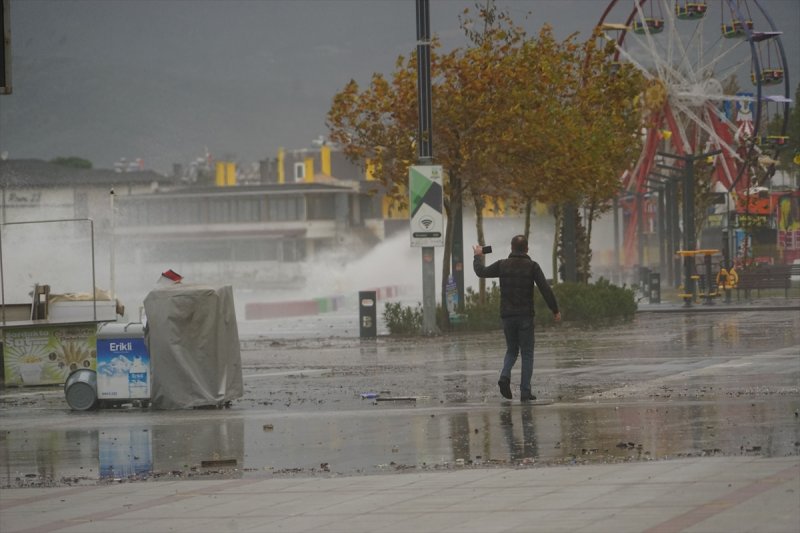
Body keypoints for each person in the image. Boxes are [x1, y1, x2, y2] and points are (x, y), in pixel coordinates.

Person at [473, 235, 561, 401]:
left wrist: (478, 255)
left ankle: (504, 377)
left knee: (512, 350)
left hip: (507, 316)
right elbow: (545, 289)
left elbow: (481, 272)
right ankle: (525, 392)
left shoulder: (502, 265)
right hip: (525, 316)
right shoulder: (532, 266)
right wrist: (555, 309)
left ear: (511, 248)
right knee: (527, 353)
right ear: (527, 249)